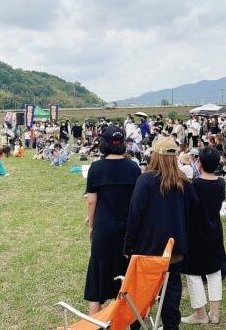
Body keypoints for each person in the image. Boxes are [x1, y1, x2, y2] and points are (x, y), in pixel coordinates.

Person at [124, 136, 198, 330]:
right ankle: (171, 326)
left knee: (140, 293)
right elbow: (194, 211)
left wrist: (128, 246)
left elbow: (134, 216)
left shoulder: (146, 180)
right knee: (171, 292)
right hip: (174, 250)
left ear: (155, 156)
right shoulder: (184, 182)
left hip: (148, 250)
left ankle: (137, 326)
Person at [84, 126, 142, 314]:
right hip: (128, 230)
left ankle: (95, 321)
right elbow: (137, 201)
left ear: (103, 144)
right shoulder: (133, 167)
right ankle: (124, 316)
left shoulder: (96, 168)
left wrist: (91, 225)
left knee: (98, 275)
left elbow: (92, 201)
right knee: (126, 274)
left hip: (104, 228)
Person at [181, 147, 225, 325]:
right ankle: (214, 314)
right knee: (214, 271)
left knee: (193, 273)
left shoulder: (194, 186)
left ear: (199, 163)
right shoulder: (220, 183)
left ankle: (201, 314)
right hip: (214, 232)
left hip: (196, 235)